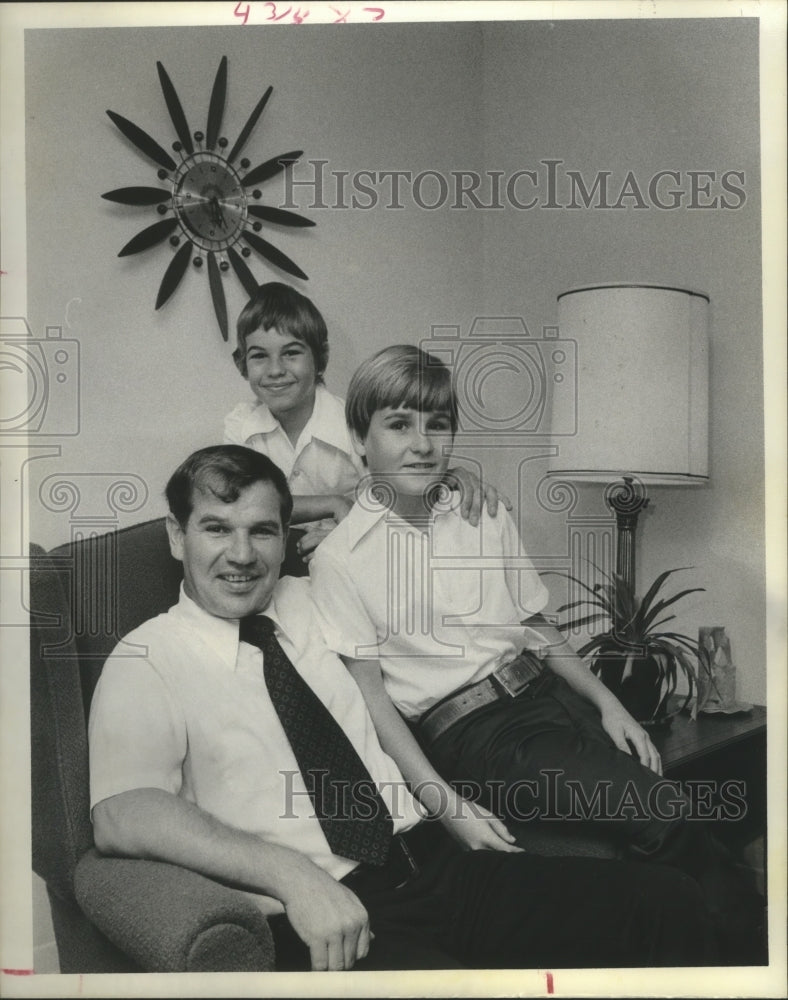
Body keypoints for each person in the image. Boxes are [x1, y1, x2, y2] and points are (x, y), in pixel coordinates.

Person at [88, 445, 715, 972]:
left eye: (263, 530)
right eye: (217, 528)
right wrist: (294, 877)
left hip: (439, 866)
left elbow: (414, 543)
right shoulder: (147, 656)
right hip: (329, 917)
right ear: (176, 535)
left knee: (672, 904)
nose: (243, 554)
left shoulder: (322, 595)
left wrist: (450, 484)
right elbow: (123, 814)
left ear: (286, 539)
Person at [309, 345, 765, 963]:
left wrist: (609, 705)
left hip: (548, 700)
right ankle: (751, 961)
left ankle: (712, 951)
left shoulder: (481, 512)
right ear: (360, 438)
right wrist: (447, 807)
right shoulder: (340, 559)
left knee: (670, 817)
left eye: (437, 425)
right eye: (398, 425)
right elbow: (373, 704)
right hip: (476, 735)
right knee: (664, 814)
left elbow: (533, 623)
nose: (422, 444)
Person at [223, 283, 506, 574]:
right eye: (259, 356)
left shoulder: (354, 425)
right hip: (273, 565)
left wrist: (450, 476)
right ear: (241, 363)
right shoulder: (241, 424)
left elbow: (399, 488)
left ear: (321, 359)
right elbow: (241, 503)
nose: (275, 370)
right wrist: (333, 503)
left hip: (362, 557)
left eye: (291, 353)